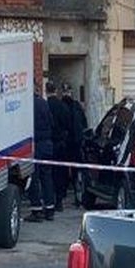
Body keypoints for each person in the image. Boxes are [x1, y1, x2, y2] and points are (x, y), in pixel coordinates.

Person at [26, 85, 56, 222]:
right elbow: (51, 122)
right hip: (47, 144)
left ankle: (36, 209)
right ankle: (50, 209)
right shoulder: (43, 103)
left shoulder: (28, 104)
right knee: (47, 177)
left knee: (34, 178)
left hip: (35, 145)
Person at [62, 83, 89, 205]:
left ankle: (76, 195)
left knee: (73, 170)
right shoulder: (75, 106)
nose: (67, 93)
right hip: (72, 143)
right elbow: (84, 123)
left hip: (71, 143)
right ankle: (76, 194)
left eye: (68, 91)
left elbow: (83, 123)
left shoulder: (72, 106)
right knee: (75, 170)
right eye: (66, 91)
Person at [46, 81, 72, 212]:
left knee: (48, 174)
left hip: (49, 142)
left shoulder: (45, 106)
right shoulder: (62, 106)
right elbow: (68, 124)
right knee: (60, 173)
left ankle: (49, 201)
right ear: (56, 91)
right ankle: (59, 200)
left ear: (46, 91)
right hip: (61, 144)